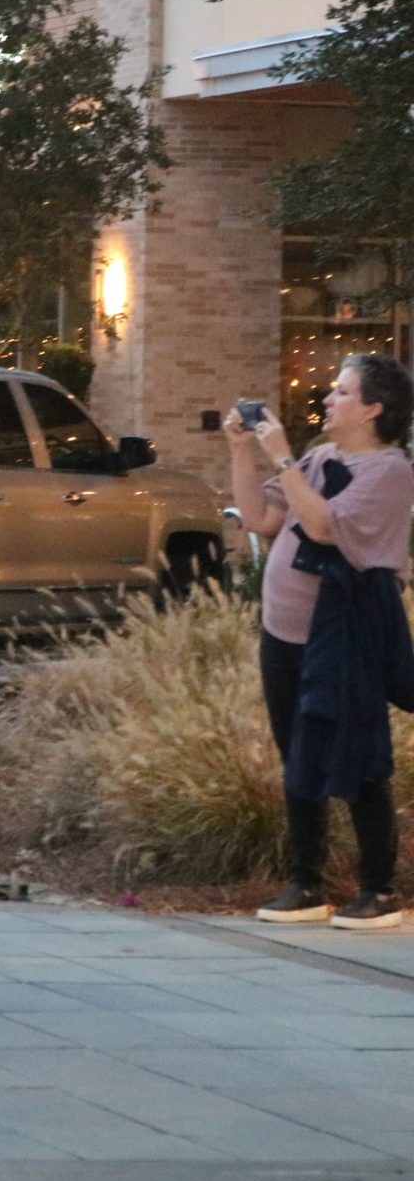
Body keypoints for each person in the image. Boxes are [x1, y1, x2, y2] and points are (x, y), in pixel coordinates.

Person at [228, 355, 414, 929]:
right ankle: (305, 882)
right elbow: (261, 518)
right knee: (298, 754)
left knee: (356, 751)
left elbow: (324, 527)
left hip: (345, 632)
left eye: (341, 391)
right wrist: (240, 448)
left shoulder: (390, 470)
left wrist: (283, 456)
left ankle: (378, 889)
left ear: (373, 408)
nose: (328, 399)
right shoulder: (320, 457)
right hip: (283, 632)